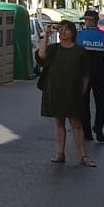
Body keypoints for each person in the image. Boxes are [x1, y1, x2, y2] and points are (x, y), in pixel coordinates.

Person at [35, 19, 93, 166]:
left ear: (73, 32)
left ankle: (83, 155)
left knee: (76, 123)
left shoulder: (80, 51)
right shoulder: (54, 48)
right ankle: (60, 153)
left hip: (73, 91)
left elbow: (86, 74)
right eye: (60, 30)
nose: (62, 32)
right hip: (55, 90)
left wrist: (82, 91)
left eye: (66, 30)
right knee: (59, 121)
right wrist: (46, 35)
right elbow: (41, 55)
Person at [75, 8, 104, 142]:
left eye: (85, 20)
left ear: (88, 21)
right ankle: (98, 127)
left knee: (84, 102)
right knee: (101, 102)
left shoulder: (79, 36)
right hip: (100, 73)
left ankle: (87, 133)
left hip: (83, 73)